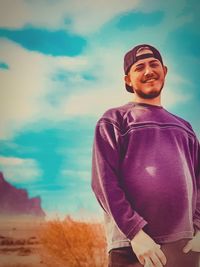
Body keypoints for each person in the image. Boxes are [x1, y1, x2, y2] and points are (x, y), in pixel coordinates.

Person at [91, 44, 200, 267]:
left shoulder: (185, 128)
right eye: (139, 67)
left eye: (154, 64)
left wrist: (199, 228)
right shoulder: (114, 120)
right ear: (128, 80)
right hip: (133, 248)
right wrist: (136, 235)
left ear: (165, 71)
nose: (148, 71)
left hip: (185, 248)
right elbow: (104, 183)